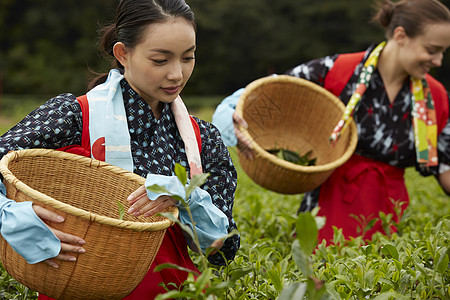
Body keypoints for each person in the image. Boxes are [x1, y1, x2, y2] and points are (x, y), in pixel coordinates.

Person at [0, 0, 240, 298]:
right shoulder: (74, 117)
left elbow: (223, 250)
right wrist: (11, 214)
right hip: (77, 286)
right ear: (122, 53)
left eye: (188, 58)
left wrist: (186, 198)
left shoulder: (203, 139)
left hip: (170, 291)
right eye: (160, 60)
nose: (177, 74)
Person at [212, 0, 450, 243]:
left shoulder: (436, 98)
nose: (439, 60)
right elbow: (268, 93)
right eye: (432, 50)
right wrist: (235, 120)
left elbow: (446, 167)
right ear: (400, 35)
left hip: (392, 219)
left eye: (443, 52)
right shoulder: (338, 71)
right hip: (328, 212)